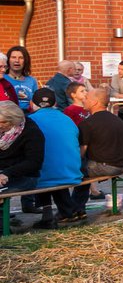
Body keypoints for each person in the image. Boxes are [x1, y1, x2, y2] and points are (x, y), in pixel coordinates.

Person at [69, 89, 123, 219]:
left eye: (87, 98)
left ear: (95, 102)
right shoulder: (117, 119)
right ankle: (77, 208)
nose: (84, 100)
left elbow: (81, 153)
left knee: (73, 171)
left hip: (106, 166)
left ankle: (72, 210)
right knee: (82, 169)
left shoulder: (87, 123)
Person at [28, 89, 80, 228]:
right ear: (55, 103)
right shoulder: (67, 119)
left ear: (32, 103)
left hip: (46, 176)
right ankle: (68, 210)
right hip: (71, 171)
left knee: (37, 168)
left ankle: (47, 214)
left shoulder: (30, 120)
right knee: (51, 167)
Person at [0, 101, 45, 220]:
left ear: (11, 122)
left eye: (1, 123)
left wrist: (6, 173)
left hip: (25, 176)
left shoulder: (32, 132)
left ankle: (3, 225)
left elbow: (34, 163)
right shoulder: (3, 130)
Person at [5, 46, 39, 113]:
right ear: (8, 60)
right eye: (13, 57)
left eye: (21, 58)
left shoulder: (32, 81)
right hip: (9, 115)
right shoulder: (3, 79)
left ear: (25, 61)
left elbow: (36, 102)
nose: (17, 61)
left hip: (28, 115)